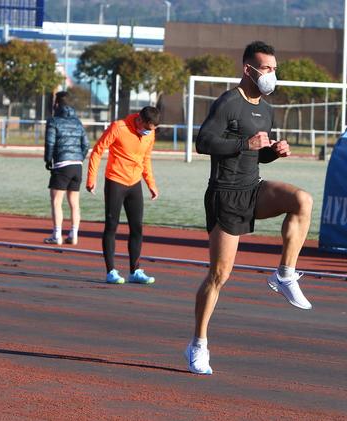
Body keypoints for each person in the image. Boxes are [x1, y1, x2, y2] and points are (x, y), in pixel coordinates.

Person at [184, 41, 314, 375]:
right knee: (219, 275)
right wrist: (246, 143)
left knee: (302, 200)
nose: (272, 74)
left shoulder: (266, 108)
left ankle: (284, 274)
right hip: (225, 194)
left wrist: (273, 151)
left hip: (253, 187)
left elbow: (256, 153)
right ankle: (198, 344)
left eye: (274, 69)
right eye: (267, 68)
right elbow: (204, 143)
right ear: (248, 69)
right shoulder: (229, 102)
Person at [86, 106, 160, 285]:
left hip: (134, 184)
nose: (149, 132)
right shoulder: (118, 127)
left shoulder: (150, 134)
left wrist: (151, 184)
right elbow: (97, 150)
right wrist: (91, 178)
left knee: (137, 228)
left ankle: (135, 271)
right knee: (111, 225)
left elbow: (145, 159)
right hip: (115, 181)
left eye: (152, 130)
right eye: (148, 128)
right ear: (140, 120)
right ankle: (111, 271)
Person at [43, 91, 90, 246]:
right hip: (77, 166)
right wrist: (79, 158)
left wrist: (48, 159)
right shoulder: (77, 122)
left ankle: (57, 235)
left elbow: (50, 143)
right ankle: (74, 234)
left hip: (62, 165)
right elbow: (86, 144)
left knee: (56, 201)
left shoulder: (54, 121)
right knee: (74, 202)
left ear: (57, 104)